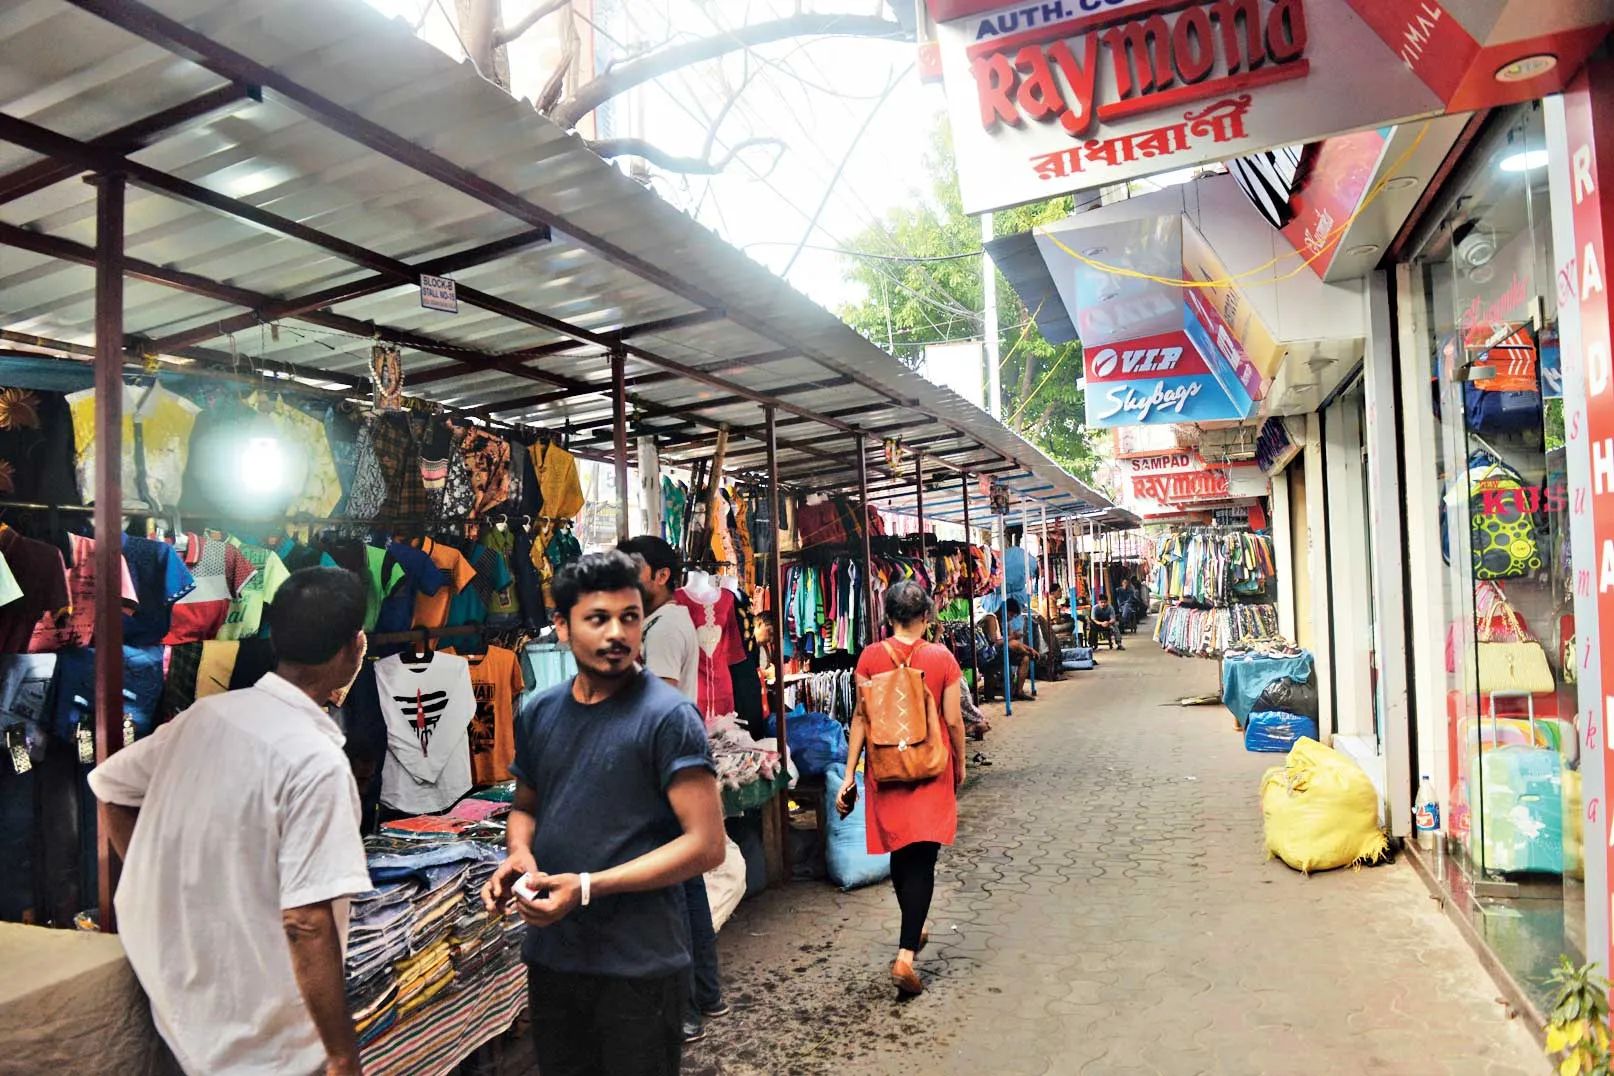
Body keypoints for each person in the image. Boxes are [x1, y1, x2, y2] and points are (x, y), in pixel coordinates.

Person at [88, 567, 373, 1076]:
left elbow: (111, 788)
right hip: (267, 1047)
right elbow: (306, 922)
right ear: (355, 648)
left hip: (182, 1017)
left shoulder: (208, 716)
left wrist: (158, 884)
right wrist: (341, 1055)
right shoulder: (316, 762)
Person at [481, 551, 727, 1076]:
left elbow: (706, 844)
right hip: (555, 959)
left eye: (630, 617)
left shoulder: (668, 716)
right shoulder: (541, 712)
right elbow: (526, 807)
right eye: (598, 619)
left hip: (640, 966)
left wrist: (589, 887)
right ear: (563, 627)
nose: (617, 633)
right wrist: (519, 855)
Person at [617, 535, 729, 1044]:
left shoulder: (662, 628)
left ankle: (683, 1008)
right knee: (687, 888)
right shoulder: (671, 620)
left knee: (671, 897)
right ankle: (706, 994)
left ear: (660, 575)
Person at [837, 580, 967, 997]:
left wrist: (848, 773)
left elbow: (860, 718)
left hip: (886, 769)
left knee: (900, 853)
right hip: (930, 769)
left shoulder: (871, 657)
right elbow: (953, 721)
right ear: (927, 617)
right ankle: (906, 955)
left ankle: (915, 920)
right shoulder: (941, 657)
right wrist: (960, 762)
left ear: (888, 617)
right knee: (924, 859)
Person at [978, 599, 1037, 700]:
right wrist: (1013, 636)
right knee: (1016, 646)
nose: (1011, 618)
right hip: (988, 654)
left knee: (1025, 658)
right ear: (1003, 610)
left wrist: (1030, 648)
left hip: (1001, 650)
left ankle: (1019, 691)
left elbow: (1011, 639)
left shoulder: (1006, 622)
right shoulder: (991, 619)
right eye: (1011, 615)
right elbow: (995, 641)